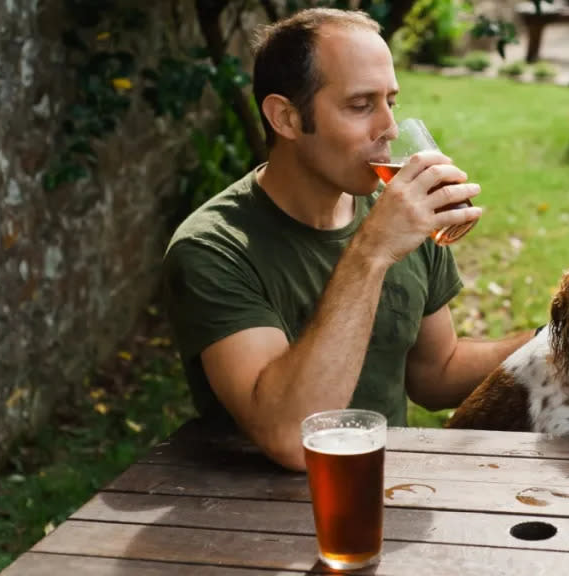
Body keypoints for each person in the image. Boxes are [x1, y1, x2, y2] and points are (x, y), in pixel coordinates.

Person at [161, 8, 533, 471]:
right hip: (247, 517)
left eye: (390, 103)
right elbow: (293, 439)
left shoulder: (399, 212)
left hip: (381, 492)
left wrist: (553, 340)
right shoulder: (213, 249)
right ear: (286, 118)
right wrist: (372, 250)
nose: (390, 130)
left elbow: (436, 375)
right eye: (361, 106)